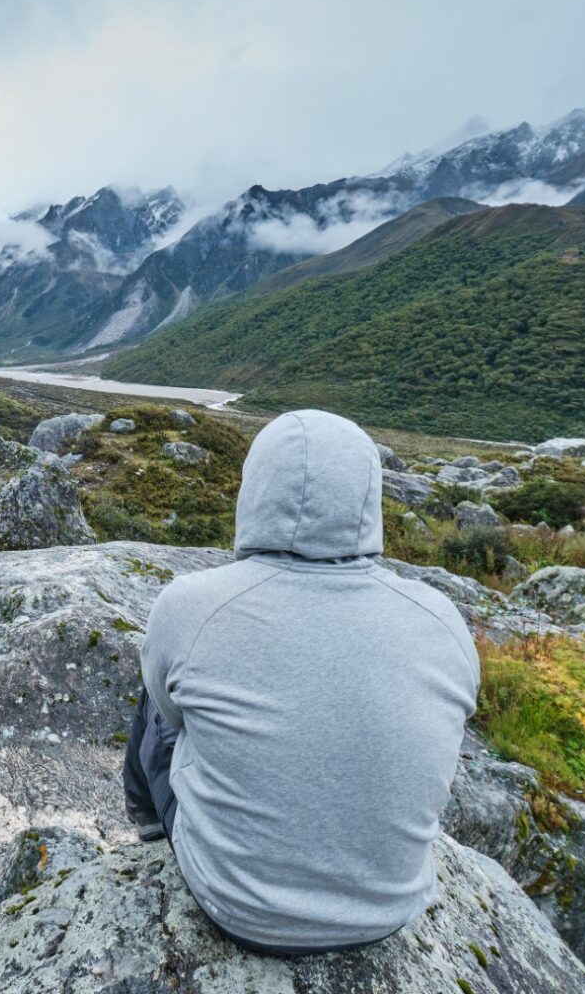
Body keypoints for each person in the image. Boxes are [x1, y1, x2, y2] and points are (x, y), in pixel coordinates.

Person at [124, 409, 479, 955]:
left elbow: (169, 720)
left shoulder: (192, 605)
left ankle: (150, 829)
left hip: (238, 909)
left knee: (157, 696)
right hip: (388, 912)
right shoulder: (441, 619)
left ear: (255, 491)